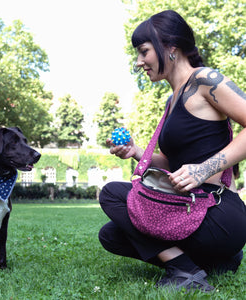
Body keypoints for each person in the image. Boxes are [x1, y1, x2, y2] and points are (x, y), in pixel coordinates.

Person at [98, 10, 246, 292]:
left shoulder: (205, 80)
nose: (139, 62)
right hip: (187, 205)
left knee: (113, 194)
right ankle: (218, 261)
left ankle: (184, 272)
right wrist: (135, 151)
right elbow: (171, 162)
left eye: (144, 51)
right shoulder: (172, 99)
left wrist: (204, 169)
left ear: (170, 46)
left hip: (216, 210)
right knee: (112, 235)